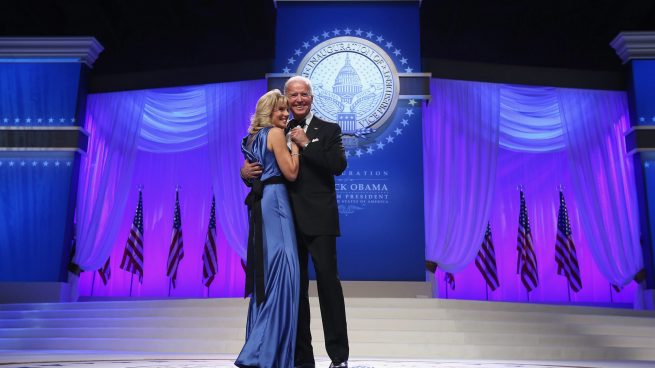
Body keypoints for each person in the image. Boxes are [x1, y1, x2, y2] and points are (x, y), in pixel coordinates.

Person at [241, 76, 349, 368]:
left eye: (304, 94)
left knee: (328, 286)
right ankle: (303, 359)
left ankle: (338, 357)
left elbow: (338, 166)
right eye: (293, 96)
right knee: (294, 291)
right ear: (286, 99)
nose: (298, 100)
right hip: (286, 222)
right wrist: (245, 171)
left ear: (312, 97)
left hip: (319, 220)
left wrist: (307, 143)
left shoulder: (328, 129)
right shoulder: (278, 128)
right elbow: (259, 155)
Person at [235, 89, 301, 368]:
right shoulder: (275, 134)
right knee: (284, 274)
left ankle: (264, 349)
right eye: (280, 110)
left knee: (268, 275)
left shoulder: (251, 138)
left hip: (261, 204)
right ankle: (261, 352)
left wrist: (242, 172)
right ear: (268, 112)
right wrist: (296, 146)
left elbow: (249, 172)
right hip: (275, 204)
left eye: (286, 110)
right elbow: (291, 173)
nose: (285, 114)